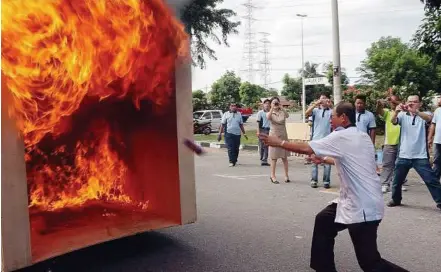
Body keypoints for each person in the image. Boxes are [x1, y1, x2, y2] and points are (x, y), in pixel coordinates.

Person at [260, 102, 408, 272]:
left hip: (363, 207)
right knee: (323, 221)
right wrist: (322, 160)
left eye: (333, 117)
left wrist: (279, 142)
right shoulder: (361, 136)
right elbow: (347, 160)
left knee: (371, 263)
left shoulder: (341, 137)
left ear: (343, 118)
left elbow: (308, 148)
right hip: (355, 200)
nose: (330, 120)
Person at [388, 95, 441, 210]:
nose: (411, 103)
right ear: (406, 102)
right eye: (409, 101)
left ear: (420, 103)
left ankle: (440, 201)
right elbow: (393, 121)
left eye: (415, 102)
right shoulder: (402, 115)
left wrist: (415, 112)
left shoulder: (424, 114)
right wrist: (396, 112)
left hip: (420, 156)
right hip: (403, 155)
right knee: (397, 181)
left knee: (431, 180)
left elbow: (429, 119)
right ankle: (396, 200)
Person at [376, 95, 407, 193]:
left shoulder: (405, 113)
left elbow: (405, 106)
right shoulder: (387, 112)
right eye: (391, 102)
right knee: (387, 165)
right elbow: (379, 111)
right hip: (389, 143)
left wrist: (396, 102)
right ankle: (385, 184)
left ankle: (398, 183)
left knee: (399, 165)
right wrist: (379, 105)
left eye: (394, 101)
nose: (392, 103)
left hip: (402, 143)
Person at [305, 93, 333, 189]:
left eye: (325, 99)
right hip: (316, 140)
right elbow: (306, 113)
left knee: (327, 162)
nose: (323, 100)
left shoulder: (331, 111)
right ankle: (314, 180)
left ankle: (326, 181)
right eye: (321, 99)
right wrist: (315, 104)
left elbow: (336, 115)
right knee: (314, 161)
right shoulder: (316, 111)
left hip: (328, 140)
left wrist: (330, 105)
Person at [267, 97, 290, 184]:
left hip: (283, 136)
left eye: (277, 103)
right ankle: (272, 176)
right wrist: (272, 108)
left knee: (284, 157)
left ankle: (286, 175)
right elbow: (268, 117)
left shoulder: (282, 112)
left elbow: (287, 115)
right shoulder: (270, 112)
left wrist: (282, 107)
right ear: (271, 104)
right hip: (274, 137)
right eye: (274, 103)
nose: (276, 104)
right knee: (274, 158)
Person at [218, 102, 248, 167]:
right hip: (229, 133)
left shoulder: (239, 114)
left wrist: (244, 134)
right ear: (229, 107)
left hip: (237, 134)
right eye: (232, 106)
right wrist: (219, 134)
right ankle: (231, 161)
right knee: (230, 148)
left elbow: (241, 124)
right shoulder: (226, 114)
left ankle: (235, 160)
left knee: (236, 148)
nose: (234, 107)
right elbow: (222, 125)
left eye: (235, 106)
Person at [428, 99, 441, 179]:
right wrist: (429, 138)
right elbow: (433, 124)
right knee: (437, 162)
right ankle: (435, 183)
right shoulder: (438, 110)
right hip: (438, 141)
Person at [257, 99, 271, 166]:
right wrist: (258, 131)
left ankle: (264, 160)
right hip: (262, 130)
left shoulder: (271, 112)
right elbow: (258, 123)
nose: (267, 105)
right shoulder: (260, 113)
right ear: (263, 104)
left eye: (268, 103)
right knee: (261, 145)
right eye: (266, 103)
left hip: (269, 130)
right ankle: (262, 157)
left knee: (266, 145)